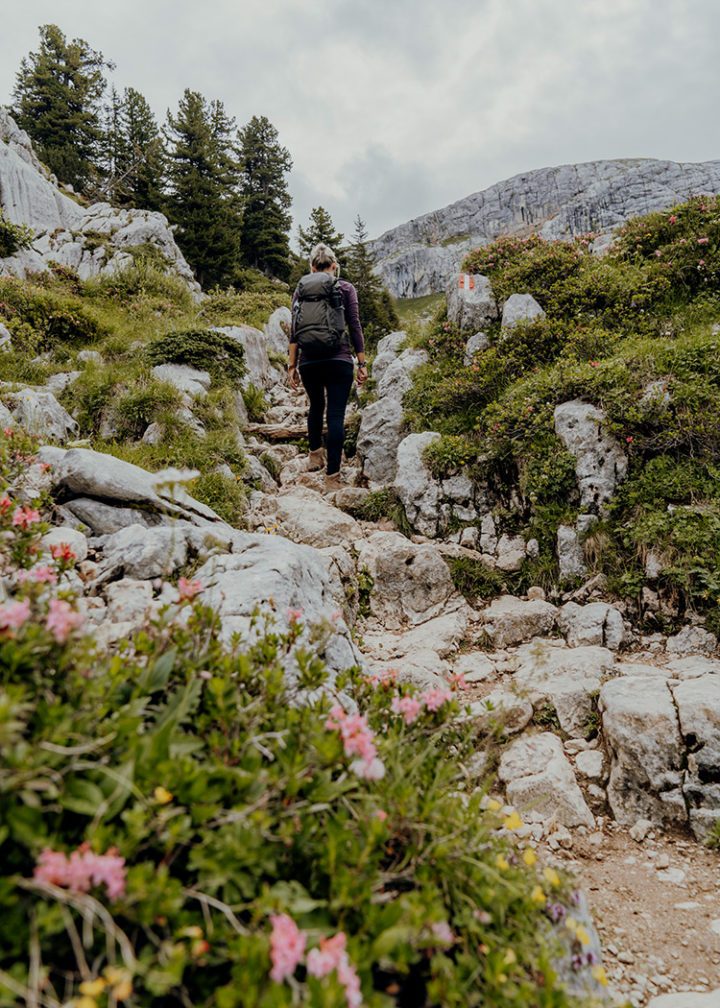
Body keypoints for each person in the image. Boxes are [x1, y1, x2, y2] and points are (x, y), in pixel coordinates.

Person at [288, 243, 367, 491]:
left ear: (312, 267)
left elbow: (293, 331)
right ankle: (332, 478)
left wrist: (291, 366)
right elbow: (354, 325)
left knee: (315, 407)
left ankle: (314, 457)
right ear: (334, 266)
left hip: (309, 361)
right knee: (335, 415)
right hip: (339, 359)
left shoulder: (301, 290)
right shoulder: (345, 288)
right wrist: (362, 363)